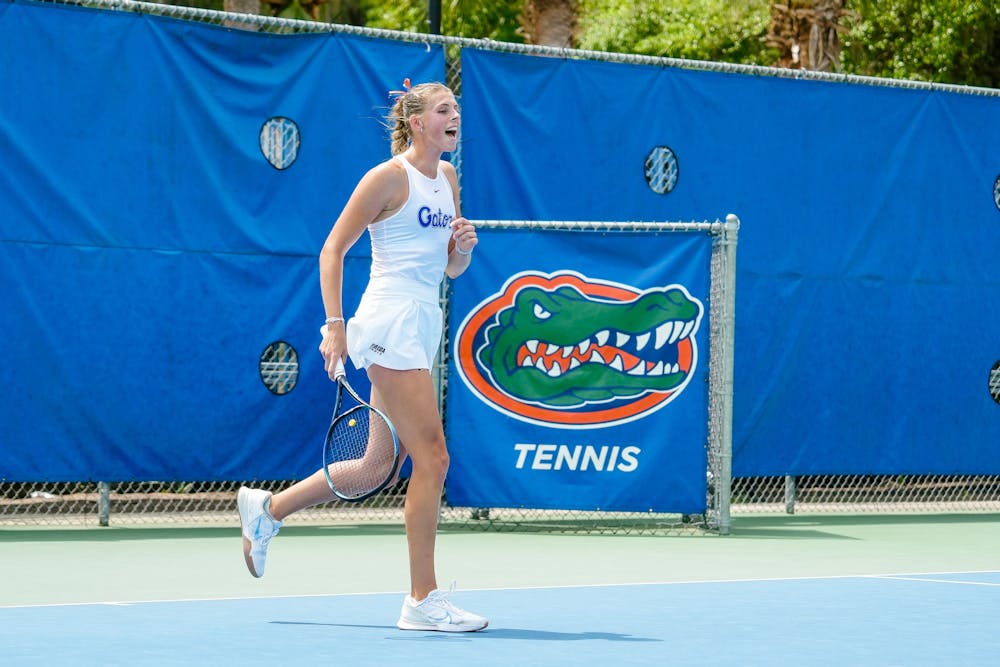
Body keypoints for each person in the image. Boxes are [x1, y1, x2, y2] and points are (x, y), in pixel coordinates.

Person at [237, 80, 487, 632]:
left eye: (458, 109)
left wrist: (461, 248)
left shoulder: (447, 178)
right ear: (417, 121)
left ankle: (267, 511)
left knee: (377, 465)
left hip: (423, 321)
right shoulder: (386, 178)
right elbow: (333, 249)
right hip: (388, 320)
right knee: (434, 458)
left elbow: (448, 269)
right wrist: (334, 325)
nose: (455, 117)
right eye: (444, 109)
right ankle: (422, 599)